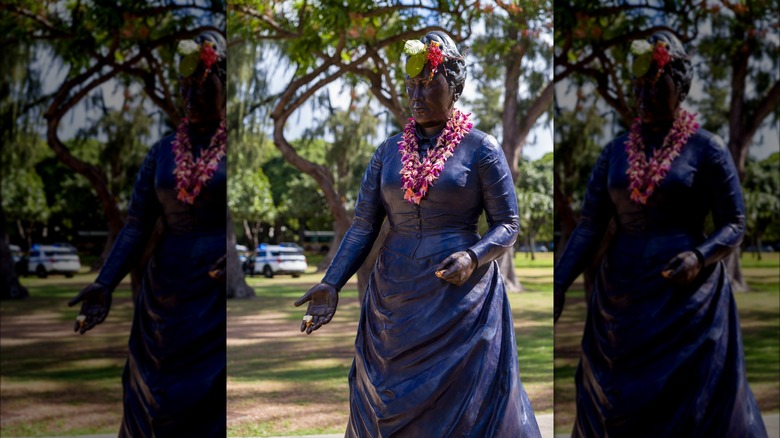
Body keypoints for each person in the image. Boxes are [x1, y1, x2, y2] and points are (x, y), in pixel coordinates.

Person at [294, 31, 541, 437]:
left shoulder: (483, 149)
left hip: (460, 299)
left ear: (455, 86)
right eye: (412, 85)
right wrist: (331, 282)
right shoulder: (388, 151)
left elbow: (509, 224)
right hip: (393, 299)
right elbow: (363, 225)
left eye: (429, 83)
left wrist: (473, 256)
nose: (417, 94)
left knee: (462, 407)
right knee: (385, 396)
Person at [554, 31, 767, 437]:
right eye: (639, 84)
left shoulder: (708, 149)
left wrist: (700, 256)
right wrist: (560, 282)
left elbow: (735, 223)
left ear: (680, 86)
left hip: (687, 299)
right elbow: (589, 226)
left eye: (657, 83)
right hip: (621, 300)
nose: (644, 93)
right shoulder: (614, 152)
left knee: (689, 406)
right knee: (615, 401)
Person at [67, 31, 227, 437]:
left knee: (207, 400)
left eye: (201, 87)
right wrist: (105, 281)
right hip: (164, 292)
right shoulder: (161, 151)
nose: (190, 98)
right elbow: (137, 223)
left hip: (213, 295)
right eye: (184, 89)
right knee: (152, 392)